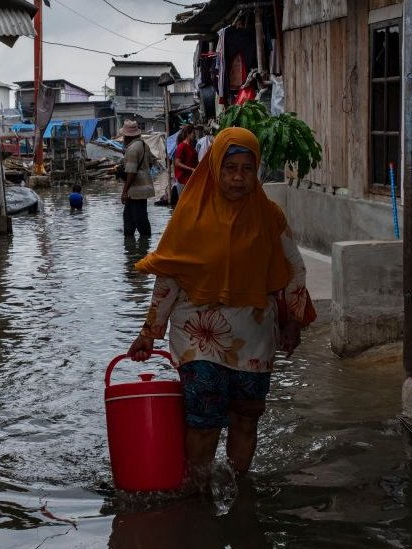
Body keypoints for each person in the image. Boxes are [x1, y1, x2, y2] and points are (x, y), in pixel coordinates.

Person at [127, 127, 316, 486]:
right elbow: (168, 276)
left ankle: (239, 489)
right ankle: (199, 492)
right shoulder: (190, 214)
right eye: (231, 168)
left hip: (255, 333)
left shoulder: (269, 215)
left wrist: (293, 320)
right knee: (204, 420)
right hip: (199, 333)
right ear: (214, 168)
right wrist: (150, 332)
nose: (238, 178)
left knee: (246, 419)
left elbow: (295, 269)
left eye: (248, 168)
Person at [119, 119, 155, 237]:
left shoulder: (132, 149)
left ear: (126, 136)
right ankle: (135, 252)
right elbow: (150, 164)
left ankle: (141, 250)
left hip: (135, 191)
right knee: (130, 219)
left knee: (140, 221)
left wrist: (124, 191)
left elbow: (131, 172)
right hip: (142, 188)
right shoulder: (144, 146)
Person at [171, 125, 198, 209]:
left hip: (191, 179)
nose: (195, 135)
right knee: (184, 204)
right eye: (193, 133)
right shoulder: (181, 146)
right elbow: (177, 163)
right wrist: (191, 169)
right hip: (183, 179)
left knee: (191, 203)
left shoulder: (191, 147)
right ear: (187, 134)